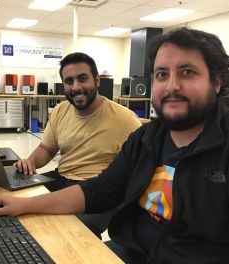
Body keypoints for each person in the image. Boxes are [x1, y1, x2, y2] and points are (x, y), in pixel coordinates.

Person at [0, 27, 229, 263]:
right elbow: (101, 190)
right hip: (132, 251)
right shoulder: (148, 138)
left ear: (215, 82)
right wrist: (23, 205)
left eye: (187, 72)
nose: (172, 85)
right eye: (162, 74)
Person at [13, 52, 141, 238]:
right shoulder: (60, 110)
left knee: (69, 231)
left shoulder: (125, 120)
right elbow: (46, 149)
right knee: (19, 205)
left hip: (97, 190)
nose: (76, 87)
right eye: (69, 81)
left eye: (83, 79)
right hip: (62, 178)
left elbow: (137, 171)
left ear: (97, 80)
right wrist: (30, 161)